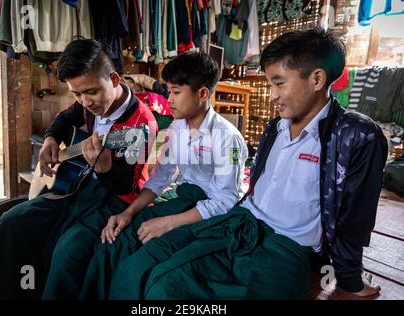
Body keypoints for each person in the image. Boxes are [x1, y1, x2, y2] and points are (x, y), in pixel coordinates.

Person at [107, 27, 388, 300]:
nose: (272, 94)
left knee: (169, 289)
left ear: (316, 79)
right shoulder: (275, 128)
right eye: (270, 84)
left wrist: (349, 277)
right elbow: (164, 177)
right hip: (239, 223)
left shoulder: (352, 136)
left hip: (285, 247)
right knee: (151, 274)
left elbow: (356, 217)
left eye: (279, 83)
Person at [0, 39, 157, 299]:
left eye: (90, 92)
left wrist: (104, 169)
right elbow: (65, 118)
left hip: (119, 200)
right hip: (83, 186)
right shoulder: (87, 103)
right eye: (76, 94)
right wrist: (51, 139)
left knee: (68, 251)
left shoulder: (141, 125)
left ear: (114, 79)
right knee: (14, 221)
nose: (85, 101)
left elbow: (126, 186)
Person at [78, 51, 248, 299]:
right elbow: (159, 179)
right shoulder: (176, 129)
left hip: (209, 217)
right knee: (113, 242)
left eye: (176, 92)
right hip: (183, 202)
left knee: (137, 265)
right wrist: (128, 212)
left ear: (202, 94)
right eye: (169, 91)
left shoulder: (227, 138)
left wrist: (168, 222)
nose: (169, 99)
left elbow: (224, 201)